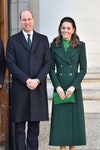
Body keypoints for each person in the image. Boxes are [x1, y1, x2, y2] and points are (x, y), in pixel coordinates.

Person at [6, 9, 51, 150]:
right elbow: (10, 63)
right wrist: (27, 80)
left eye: (29, 19)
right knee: (19, 129)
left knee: (34, 129)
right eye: (24, 20)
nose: (27, 22)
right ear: (20, 21)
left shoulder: (43, 39)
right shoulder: (13, 40)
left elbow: (47, 62)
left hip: (37, 89)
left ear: (33, 20)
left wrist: (37, 80)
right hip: (20, 89)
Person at [49, 17, 87, 150]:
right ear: (60, 29)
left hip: (73, 88)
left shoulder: (80, 46)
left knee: (73, 124)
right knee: (61, 125)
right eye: (63, 28)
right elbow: (51, 68)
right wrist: (57, 86)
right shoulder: (54, 45)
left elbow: (83, 69)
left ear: (73, 30)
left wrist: (73, 86)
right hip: (60, 87)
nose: (65, 30)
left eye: (68, 28)